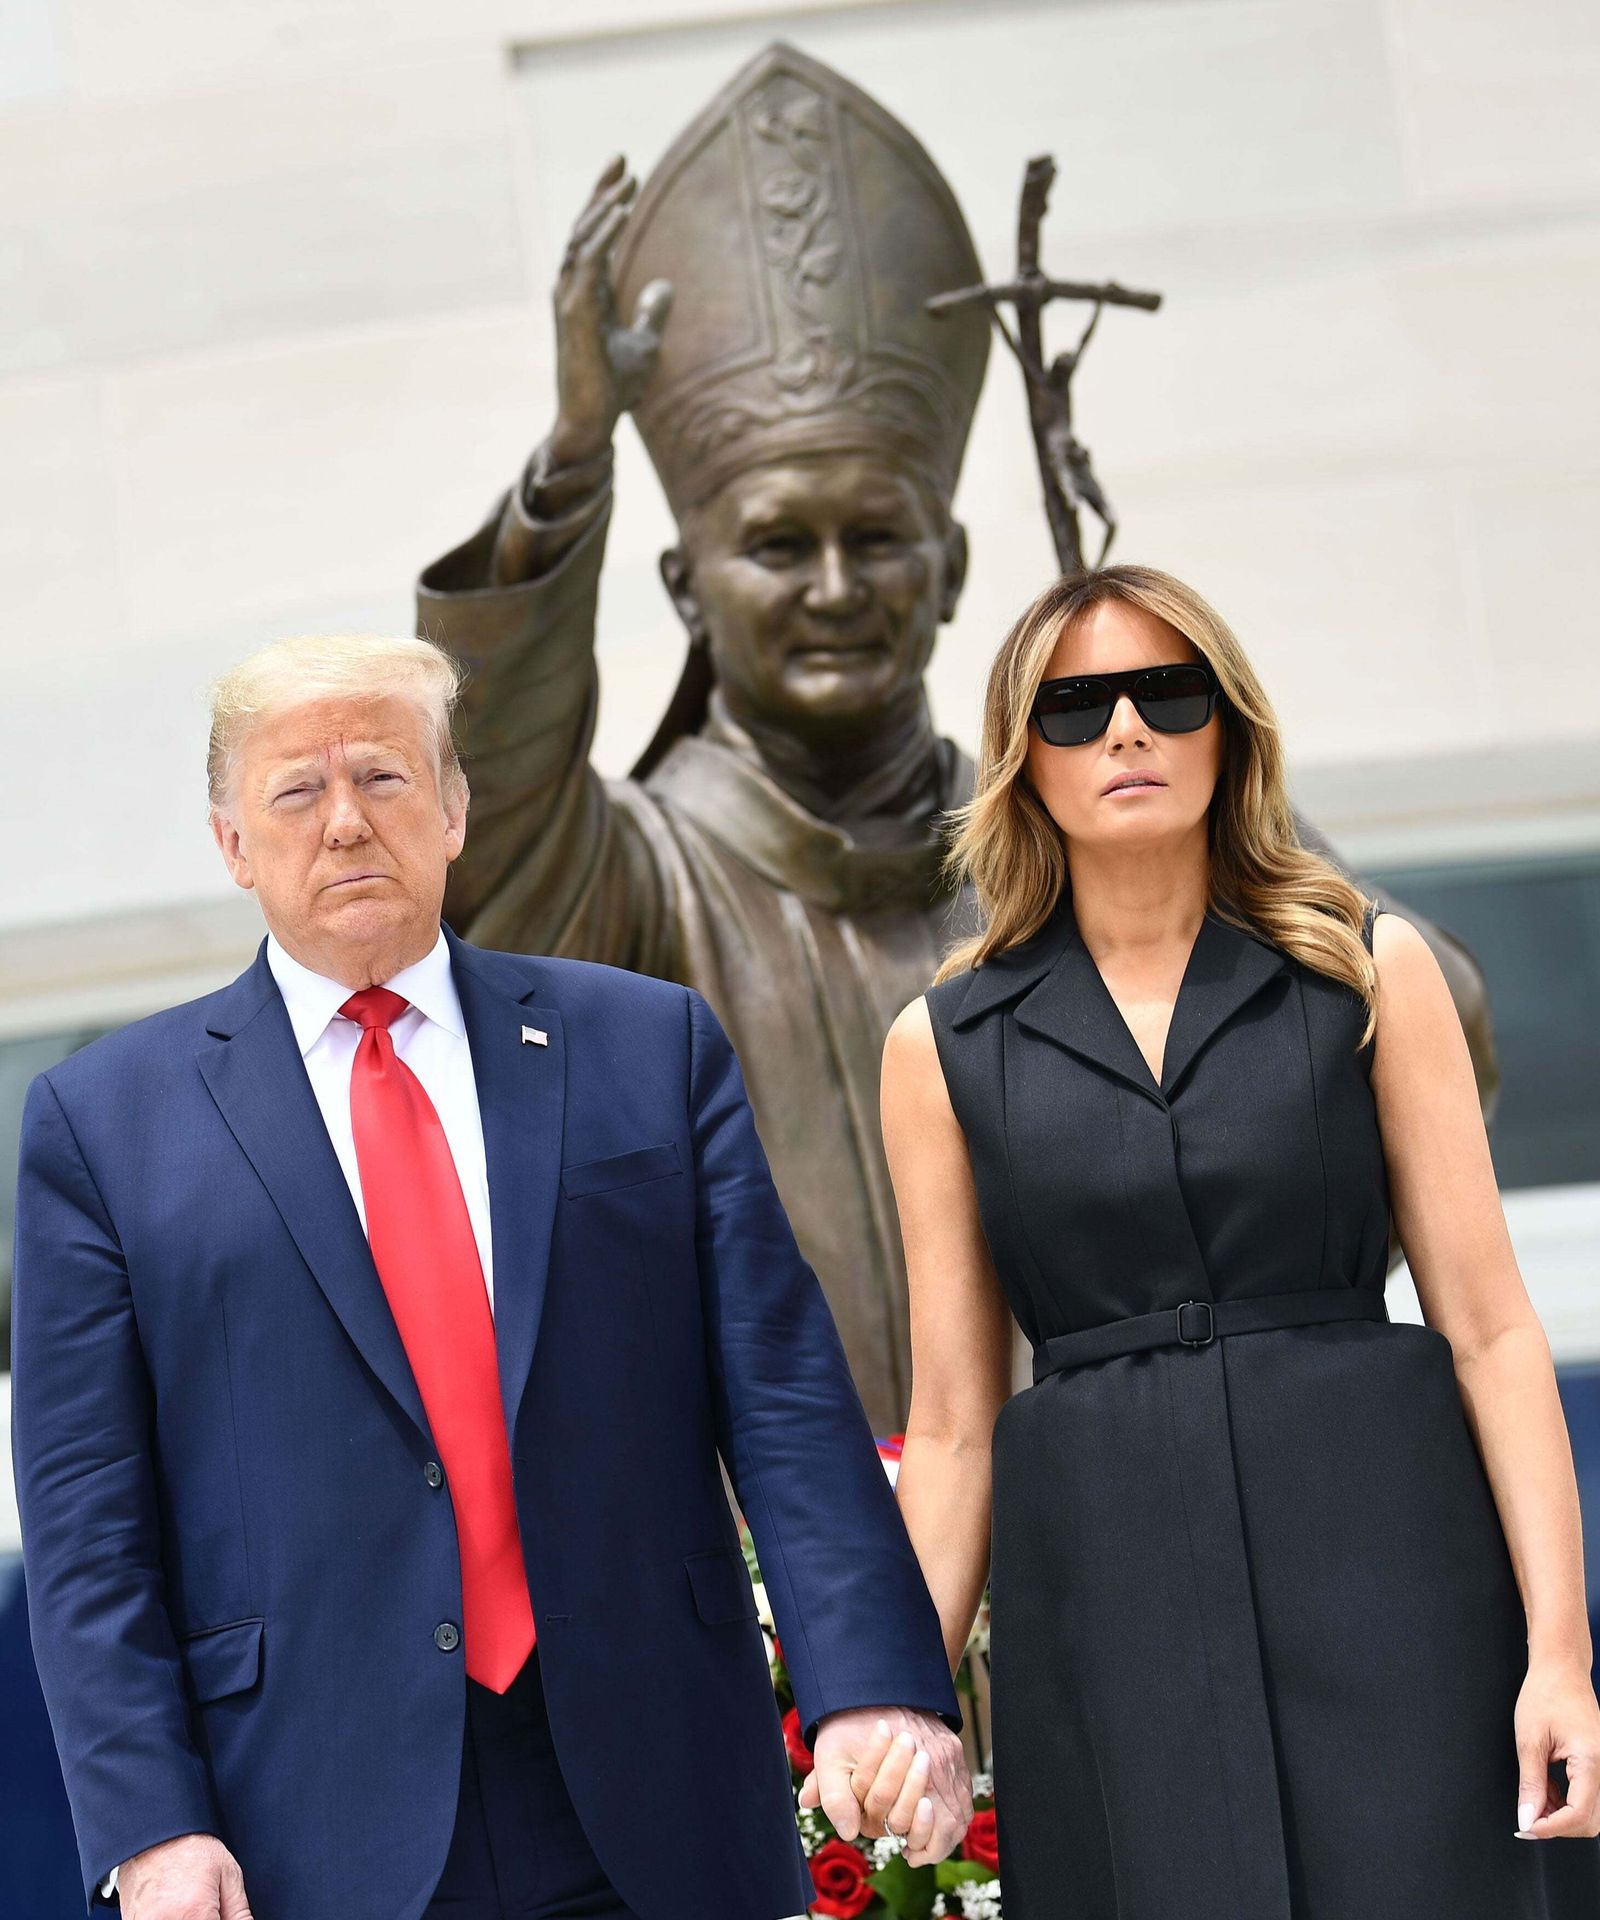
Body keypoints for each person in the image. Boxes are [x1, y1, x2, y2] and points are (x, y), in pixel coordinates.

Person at [412, 41, 1499, 1433]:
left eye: (877, 539)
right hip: (790, 1598)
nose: (834, 588)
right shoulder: (630, 882)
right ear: (687, 586)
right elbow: (481, 800)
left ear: (951, 566)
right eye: (777, 546)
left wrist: (1216, 838)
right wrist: (574, 459)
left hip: (1125, 1534)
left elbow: (1436, 1019)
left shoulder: (1089, 844)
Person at [10, 632, 971, 1920]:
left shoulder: (645, 1043)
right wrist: (151, 1828)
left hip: (659, 1773)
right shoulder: (102, 1121)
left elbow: (785, 1397)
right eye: (297, 790)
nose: (346, 822)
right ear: (233, 844)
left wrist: (872, 1687)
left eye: (387, 780)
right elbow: (86, 1521)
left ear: (457, 809)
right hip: (307, 1810)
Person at [877, 566, 1600, 1918]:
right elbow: (956, 1423)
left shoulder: (1371, 971)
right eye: (1077, 707)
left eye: (1169, 693)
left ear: (1232, 727)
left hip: (1389, 1567)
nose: (1128, 731)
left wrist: (1559, 1651)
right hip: (1106, 1600)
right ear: (1024, 759)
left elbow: (1494, 1331)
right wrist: (894, 1691)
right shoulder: (943, 1046)